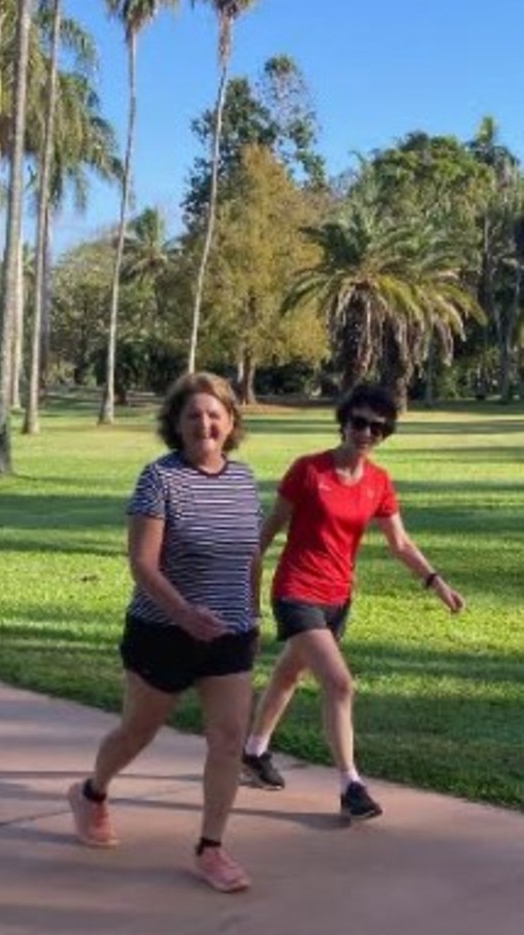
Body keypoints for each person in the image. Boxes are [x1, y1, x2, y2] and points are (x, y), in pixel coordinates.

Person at [68, 371, 262, 893]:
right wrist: (184, 615)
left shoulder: (244, 481)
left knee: (227, 741)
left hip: (230, 634)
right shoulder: (159, 478)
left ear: (231, 421)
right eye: (193, 415)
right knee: (137, 732)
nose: (205, 423)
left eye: (214, 414)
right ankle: (92, 792)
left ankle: (211, 848)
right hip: (163, 632)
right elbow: (143, 564)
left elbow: (251, 554)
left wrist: (254, 615)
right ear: (176, 424)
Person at [241, 383, 465, 820]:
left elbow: (399, 543)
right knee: (340, 684)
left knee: (288, 674)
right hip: (296, 590)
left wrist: (436, 582)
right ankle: (351, 785)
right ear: (343, 422)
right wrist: (249, 600)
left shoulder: (379, 482)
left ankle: (254, 751)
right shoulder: (308, 471)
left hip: (338, 597)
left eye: (377, 428)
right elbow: (264, 537)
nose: (366, 433)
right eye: (359, 422)